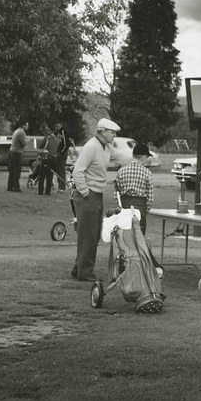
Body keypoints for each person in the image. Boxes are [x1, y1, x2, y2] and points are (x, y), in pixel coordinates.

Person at [70, 118, 130, 281]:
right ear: (103, 132)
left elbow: (123, 158)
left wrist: (139, 159)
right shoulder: (91, 147)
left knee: (93, 234)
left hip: (96, 195)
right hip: (87, 196)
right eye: (112, 132)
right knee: (88, 234)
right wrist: (85, 192)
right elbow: (78, 172)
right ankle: (85, 272)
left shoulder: (106, 147)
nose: (114, 135)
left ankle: (79, 268)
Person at [116, 142, 162, 273]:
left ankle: (123, 267)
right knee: (139, 238)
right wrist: (144, 211)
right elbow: (150, 197)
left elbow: (116, 193)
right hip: (140, 206)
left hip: (124, 206)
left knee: (124, 238)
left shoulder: (121, 170)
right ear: (143, 157)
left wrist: (120, 208)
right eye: (147, 157)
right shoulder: (147, 173)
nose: (148, 160)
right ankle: (139, 268)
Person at [36, 127, 60, 196]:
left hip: (46, 158)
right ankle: (47, 192)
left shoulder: (48, 138)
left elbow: (41, 146)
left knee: (42, 176)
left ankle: (40, 191)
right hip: (53, 159)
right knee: (50, 176)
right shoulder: (58, 141)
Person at [6, 123, 27, 192]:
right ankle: (16, 187)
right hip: (17, 153)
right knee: (17, 170)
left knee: (12, 170)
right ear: (23, 125)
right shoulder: (21, 133)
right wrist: (27, 140)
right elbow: (24, 143)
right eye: (26, 125)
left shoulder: (16, 131)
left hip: (11, 151)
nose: (27, 126)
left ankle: (10, 186)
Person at [54, 126, 69, 193]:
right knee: (58, 170)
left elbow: (66, 144)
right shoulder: (59, 131)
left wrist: (61, 152)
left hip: (62, 154)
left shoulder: (63, 130)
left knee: (61, 170)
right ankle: (60, 186)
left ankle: (62, 187)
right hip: (59, 153)